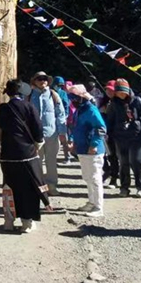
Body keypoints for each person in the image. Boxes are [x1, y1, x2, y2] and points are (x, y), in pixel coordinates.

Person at [0, 79, 51, 233]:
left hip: (7, 153)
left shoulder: (2, 108)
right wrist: (38, 142)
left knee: (9, 187)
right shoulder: (28, 106)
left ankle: (8, 220)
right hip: (26, 153)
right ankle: (27, 222)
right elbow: (38, 128)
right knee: (27, 188)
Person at [106, 78, 141, 198]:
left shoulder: (137, 101)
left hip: (137, 135)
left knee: (136, 161)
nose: (121, 94)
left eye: (123, 91)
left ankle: (140, 187)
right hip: (120, 136)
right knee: (123, 163)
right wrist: (108, 133)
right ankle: (124, 187)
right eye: (119, 92)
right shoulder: (113, 103)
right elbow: (110, 120)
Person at [68, 84, 107, 217]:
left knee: (95, 177)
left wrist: (94, 144)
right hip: (82, 148)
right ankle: (91, 202)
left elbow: (101, 128)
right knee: (87, 177)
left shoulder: (91, 109)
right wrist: (73, 140)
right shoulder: (80, 109)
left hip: (92, 150)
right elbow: (76, 126)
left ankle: (98, 207)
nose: (71, 100)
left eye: (73, 97)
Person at [29, 72, 65, 196]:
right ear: (34, 81)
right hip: (35, 135)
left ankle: (52, 186)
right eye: (39, 79)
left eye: (44, 79)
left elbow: (60, 114)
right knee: (36, 161)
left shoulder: (54, 95)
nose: (42, 81)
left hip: (52, 134)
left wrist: (62, 132)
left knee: (51, 161)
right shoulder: (29, 96)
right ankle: (38, 187)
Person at [98, 80, 119, 187]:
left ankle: (114, 178)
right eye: (107, 89)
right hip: (103, 133)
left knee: (113, 156)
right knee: (103, 156)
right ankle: (108, 171)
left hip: (115, 133)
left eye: (111, 90)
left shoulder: (119, 102)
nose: (109, 91)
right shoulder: (102, 101)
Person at [53, 76, 72, 162]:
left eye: (61, 85)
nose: (59, 86)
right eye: (58, 85)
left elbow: (66, 105)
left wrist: (66, 115)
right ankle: (53, 158)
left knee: (64, 138)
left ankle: (67, 157)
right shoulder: (50, 92)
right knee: (53, 139)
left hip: (61, 117)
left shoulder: (63, 93)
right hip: (52, 117)